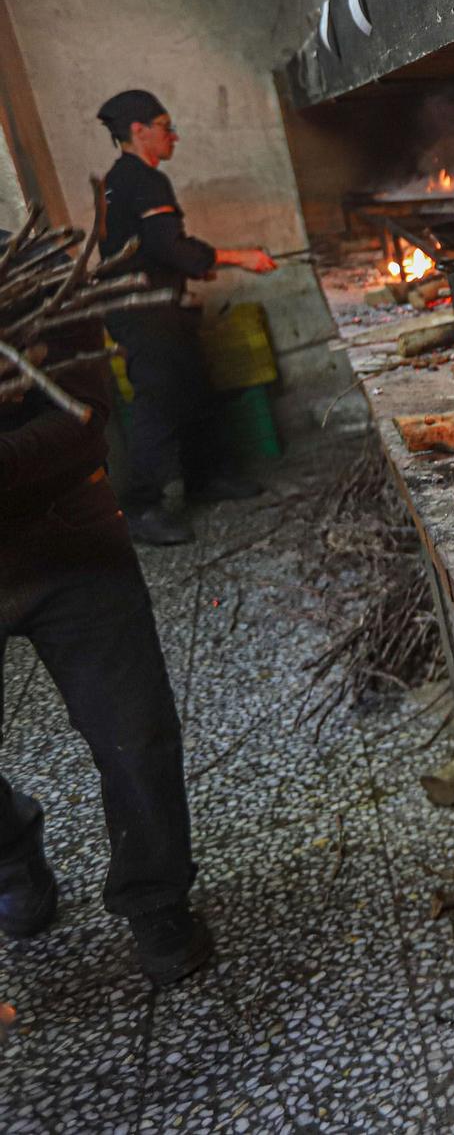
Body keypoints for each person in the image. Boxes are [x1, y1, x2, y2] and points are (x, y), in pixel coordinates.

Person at [0, 287, 212, 985]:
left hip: (69, 543)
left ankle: (155, 897)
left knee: (134, 730)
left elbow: (85, 416)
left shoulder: (25, 278)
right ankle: (10, 849)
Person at [96, 89, 276, 546]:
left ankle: (205, 476)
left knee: (192, 385)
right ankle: (141, 506)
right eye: (165, 126)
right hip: (141, 309)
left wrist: (195, 264)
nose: (173, 135)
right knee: (157, 402)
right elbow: (165, 245)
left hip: (151, 301)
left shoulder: (122, 179)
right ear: (139, 131)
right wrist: (241, 257)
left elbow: (152, 245)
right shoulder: (143, 180)